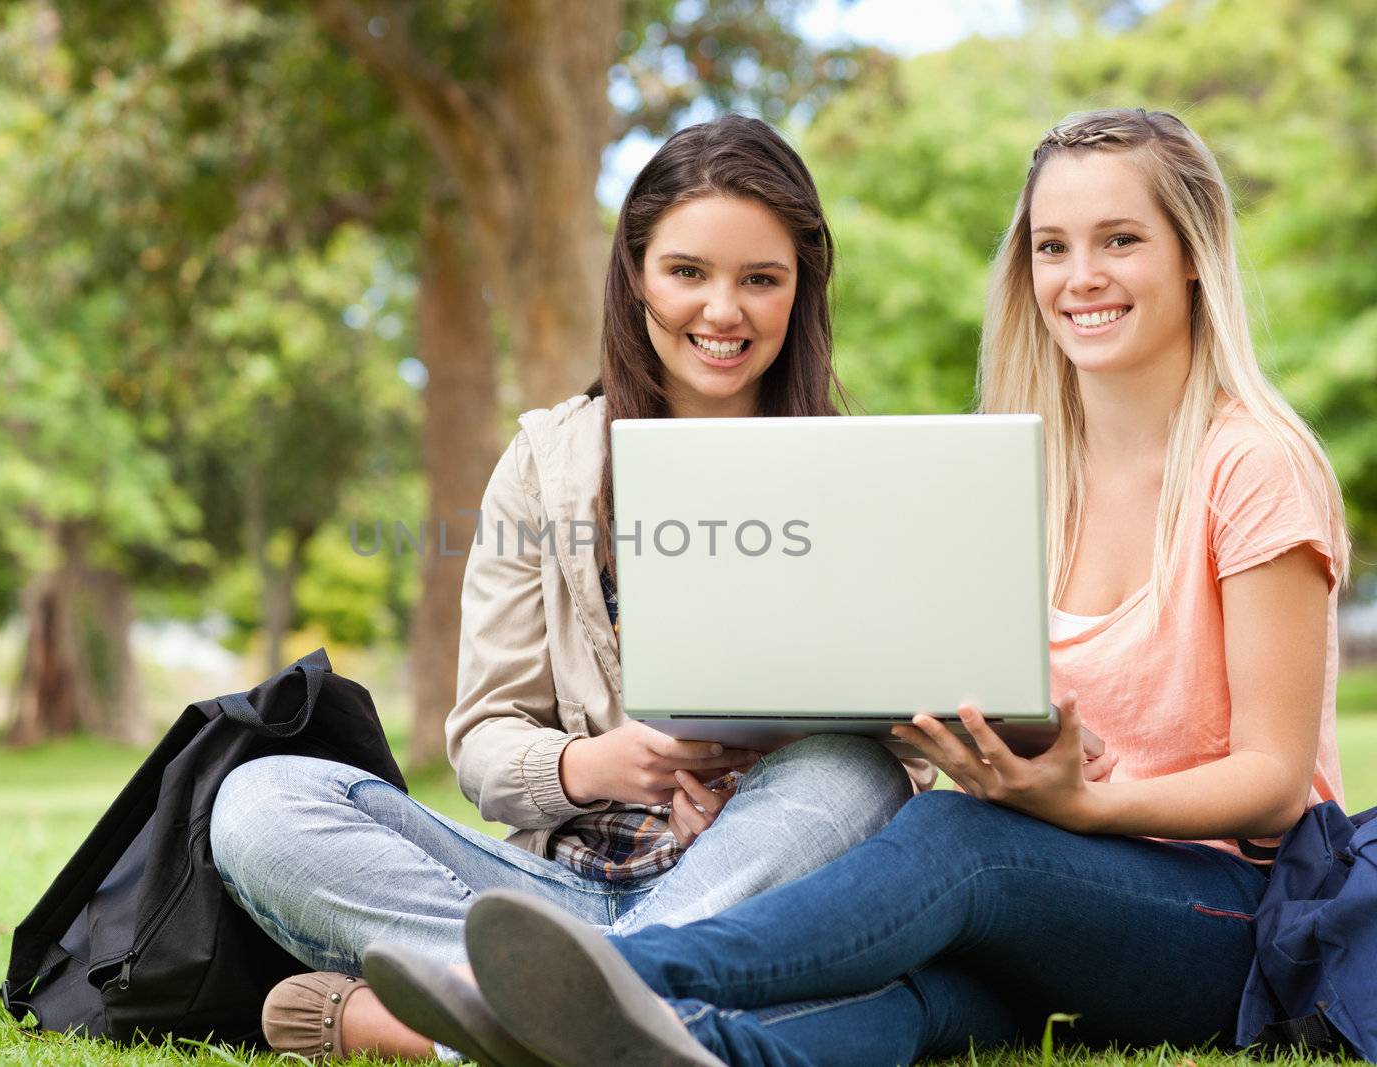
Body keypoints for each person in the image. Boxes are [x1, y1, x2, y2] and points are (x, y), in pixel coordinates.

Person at [369, 107, 1352, 1067]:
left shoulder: (1253, 464)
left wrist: (1076, 806)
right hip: (1049, 896)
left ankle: (623, 967)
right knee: (899, 1000)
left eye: (1119, 240)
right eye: (1051, 246)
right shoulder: (1015, 472)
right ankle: (634, 1043)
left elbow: (1271, 785)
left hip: (1229, 912)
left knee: (955, 835)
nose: (1079, 276)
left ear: (1190, 253)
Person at [207, 114, 937, 1063]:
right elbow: (480, 740)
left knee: (857, 773)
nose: (724, 310)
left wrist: (758, 792)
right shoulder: (545, 462)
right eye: (688, 272)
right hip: (547, 892)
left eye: (761, 278)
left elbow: (908, 762)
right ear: (635, 277)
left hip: (753, 883)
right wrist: (601, 766)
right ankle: (596, 1004)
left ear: (801, 291)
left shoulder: (860, 472)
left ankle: (511, 1017)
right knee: (261, 799)